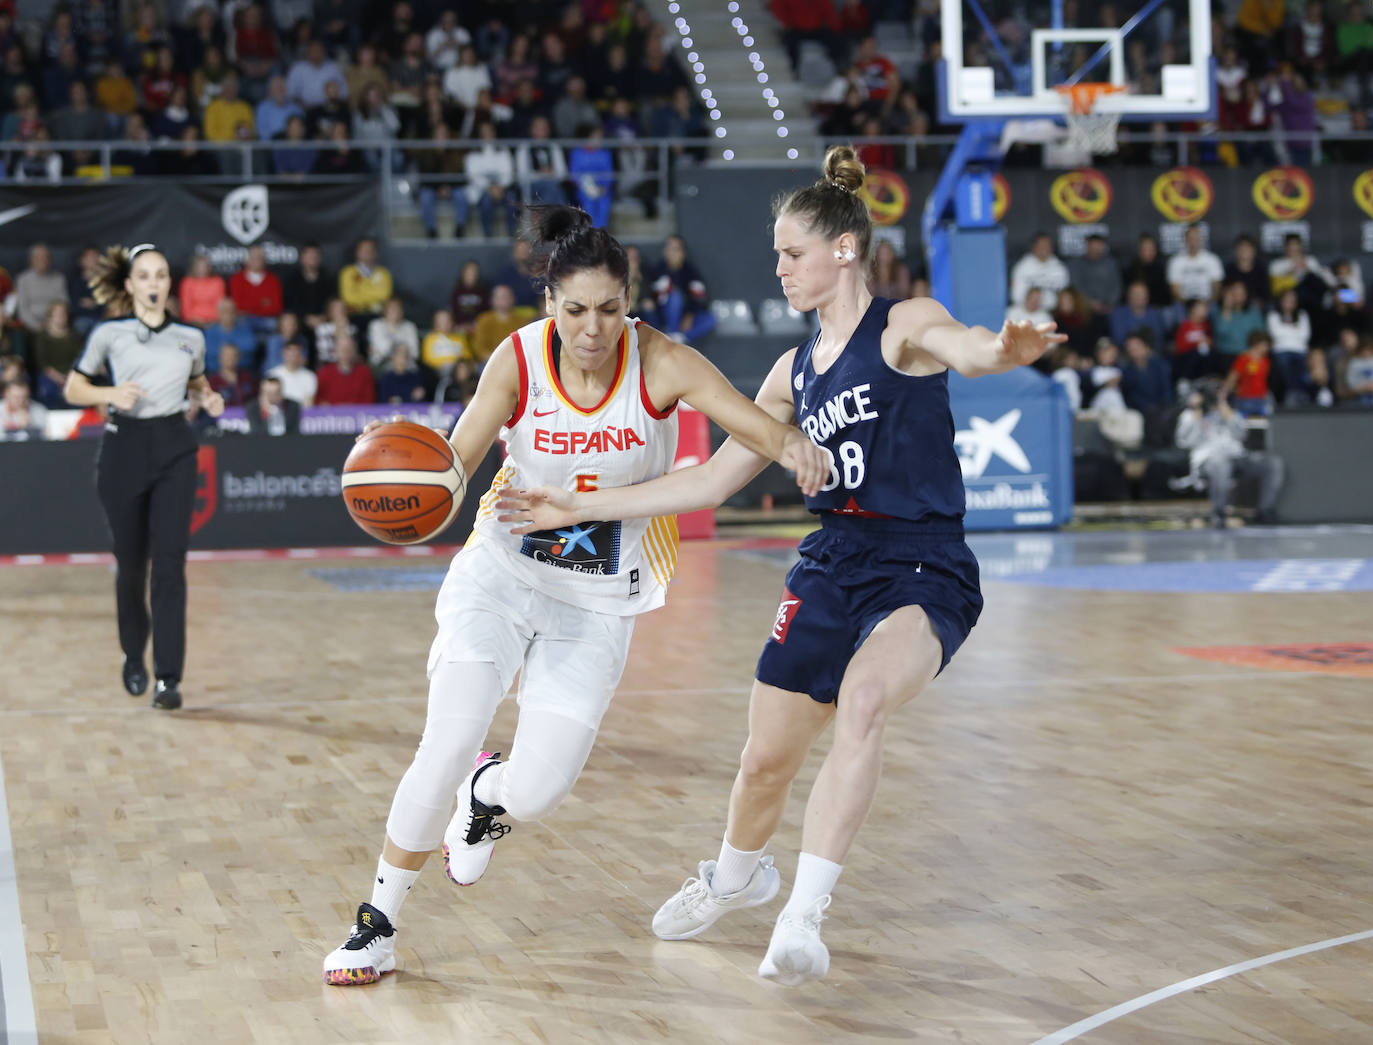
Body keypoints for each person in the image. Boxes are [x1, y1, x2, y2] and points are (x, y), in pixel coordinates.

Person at [495, 148, 1064, 985]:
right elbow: (712, 478)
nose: (780, 268)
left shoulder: (902, 326)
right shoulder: (790, 372)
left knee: (865, 700)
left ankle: (803, 915)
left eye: (791, 252)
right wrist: (574, 508)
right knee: (764, 760)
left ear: (841, 250)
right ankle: (736, 876)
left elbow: (968, 349)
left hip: (923, 565)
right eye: (776, 254)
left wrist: (1003, 350)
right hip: (832, 562)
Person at [321, 203, 829, 987]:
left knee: (539, 787)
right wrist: (412, 489)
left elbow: (750, 422)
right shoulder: (517, 361)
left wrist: (793, 444)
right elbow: (454, 468)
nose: (592, 329)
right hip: (501, 573)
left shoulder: (661, 361)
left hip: (598, 600)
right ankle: (377, 924)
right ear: (548, 306)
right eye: (575, 310)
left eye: (609, 309)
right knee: (444, 741)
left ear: (629, 303)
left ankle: (487, 793)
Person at [63, 244, 225, 710]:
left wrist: (208, 397)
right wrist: (111, 391)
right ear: (130, 285)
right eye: (144, 276)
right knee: (131, 567)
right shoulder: (109, 333)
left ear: (168, 284)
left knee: (170, 566)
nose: (153, 283)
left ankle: (168, 678)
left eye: (160, 276)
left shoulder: (191, 337)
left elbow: (196, 380)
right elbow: (74, 386)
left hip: (175, 444)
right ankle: (134, 654)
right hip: (123, 447)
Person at [1174, 383, 1284, 527]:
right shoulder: (1190, 415)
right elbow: (1183, 442)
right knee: (1221, 464)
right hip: (1209, 460)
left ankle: (1265, 510)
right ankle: (1218, 513)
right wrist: (1197, 414)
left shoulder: (1229, 412)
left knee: (1273, 464)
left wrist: (1226, 412)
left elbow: (1243, 434)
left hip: (1237, 457)